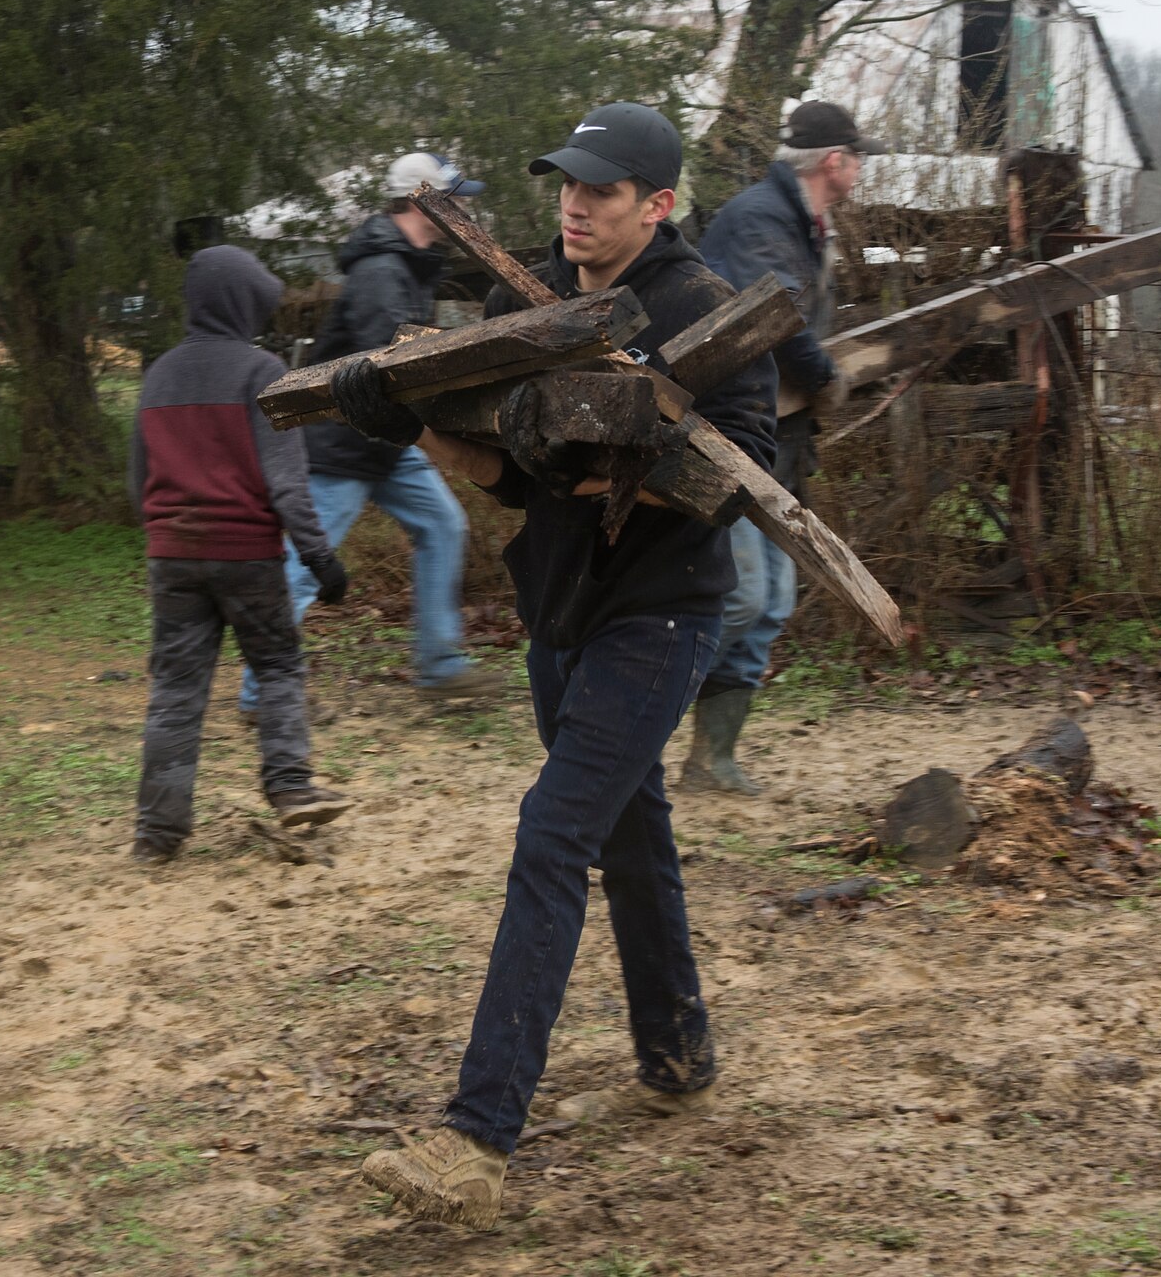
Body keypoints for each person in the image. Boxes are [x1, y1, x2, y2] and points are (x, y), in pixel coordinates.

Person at [344, 103, 777, 1228]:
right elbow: (497, 473)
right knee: (630, 839)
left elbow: (755, 475)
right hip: (560, 610)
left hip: (662, 615)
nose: (573, 206)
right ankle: (676, 1051)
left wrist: (622, 443)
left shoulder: (708, 313)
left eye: (600, 190)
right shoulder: (516, 303)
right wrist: (404, 416)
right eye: (565, 187)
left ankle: (476, 1138)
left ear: (659, 204)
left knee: (552, 835)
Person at [237, 153, 502, 721]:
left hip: (386, 439)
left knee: (443, 526)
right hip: (342, 442)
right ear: (423, 200)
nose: (466, 208)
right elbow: (390, 364)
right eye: (456, 197)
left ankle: (440, 666)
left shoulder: (409, 263)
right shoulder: (382, 270)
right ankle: (262, 692)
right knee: (308, 562)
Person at [683, 100, 887, 793]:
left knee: (769, 603)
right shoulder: (761, 220)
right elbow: (775, 320)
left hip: (777, 436)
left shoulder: (804, 223)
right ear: (835, 162)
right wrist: (827, 378)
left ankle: (713, 760)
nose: (861, 168)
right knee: (739, 598)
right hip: (727, 430)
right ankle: (630, 715)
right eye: (857, 156)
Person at [128, 246, 353, 864]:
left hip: (171, 556)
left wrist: (166, 533)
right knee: (278, 666)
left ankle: (157, 835)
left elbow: (137, 480)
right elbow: (287, 483)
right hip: (248, 557)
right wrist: (321, 561)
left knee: (176, 691)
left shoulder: (157, 376)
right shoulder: (261, 372)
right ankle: (290, 787)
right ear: (244, 303)